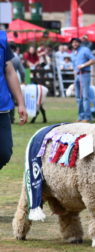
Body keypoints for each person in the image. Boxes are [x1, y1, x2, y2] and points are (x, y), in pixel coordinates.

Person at [0, 31, 28, 170]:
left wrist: (21, 103)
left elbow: (10, 71)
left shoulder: (1, 39)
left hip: (2, 106)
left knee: (4, 152)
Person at [70, 38, 95, 122]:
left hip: (84, 74)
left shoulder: (85, 50)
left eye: (76, 42)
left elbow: (93, 60)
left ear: (79, 43)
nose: (75, 44)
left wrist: (83, 65)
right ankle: (81, 116)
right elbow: (74, 66)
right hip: (77, 76)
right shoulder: (73, 53)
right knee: (78, 97)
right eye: (73, 42)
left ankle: (87, 117)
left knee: (85, 96)